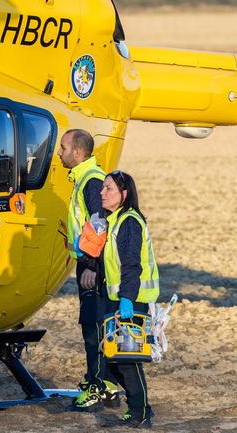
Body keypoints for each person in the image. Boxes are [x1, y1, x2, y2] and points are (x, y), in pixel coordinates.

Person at [57, 129, 119, 410]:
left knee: (93, 327)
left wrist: (91, 265)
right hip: (90, 263)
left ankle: (97, 386)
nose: (60, 153)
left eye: (64, 148)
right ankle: (102, 382)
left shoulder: (91, 181)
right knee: (95, 325)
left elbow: (99, 223)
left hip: (94, 266)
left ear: (78, 153)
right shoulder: (86, 178)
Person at [100, 170, 159, 428]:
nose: (102, 192)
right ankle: (139, 406)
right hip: (118, 298)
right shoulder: (113, 220)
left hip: (132, 299)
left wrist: (126, 299)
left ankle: (140, 413)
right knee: (112, 359)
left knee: (128, 360)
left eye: (109, 189)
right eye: (103, 188)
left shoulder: (129, 223)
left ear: (124, 195)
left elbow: (132, 265)